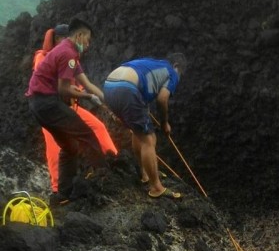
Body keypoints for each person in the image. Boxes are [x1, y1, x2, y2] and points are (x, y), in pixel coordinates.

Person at [26, 18, 107, 201]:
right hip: (47, 103)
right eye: (87, 40)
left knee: (69, 146)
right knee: (87, 134)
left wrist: (105, 99)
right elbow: (64, 89)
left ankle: (63, 194)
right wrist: (87, 97)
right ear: (79, 35)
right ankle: (105, 178)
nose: (88, 45)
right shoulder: (67, 53)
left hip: (38, 105)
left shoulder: (71, 54)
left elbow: (86, 83)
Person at [103, 55, 186, 199]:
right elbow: (162, 98)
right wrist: (164, 122)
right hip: (127, 89)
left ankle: (145, 174)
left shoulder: (153, 64)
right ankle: (156, 188)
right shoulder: (172, 72)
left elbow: (144, 87)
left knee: (138, 131)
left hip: (109, 86)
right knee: (149, 139)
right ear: (177, 65)